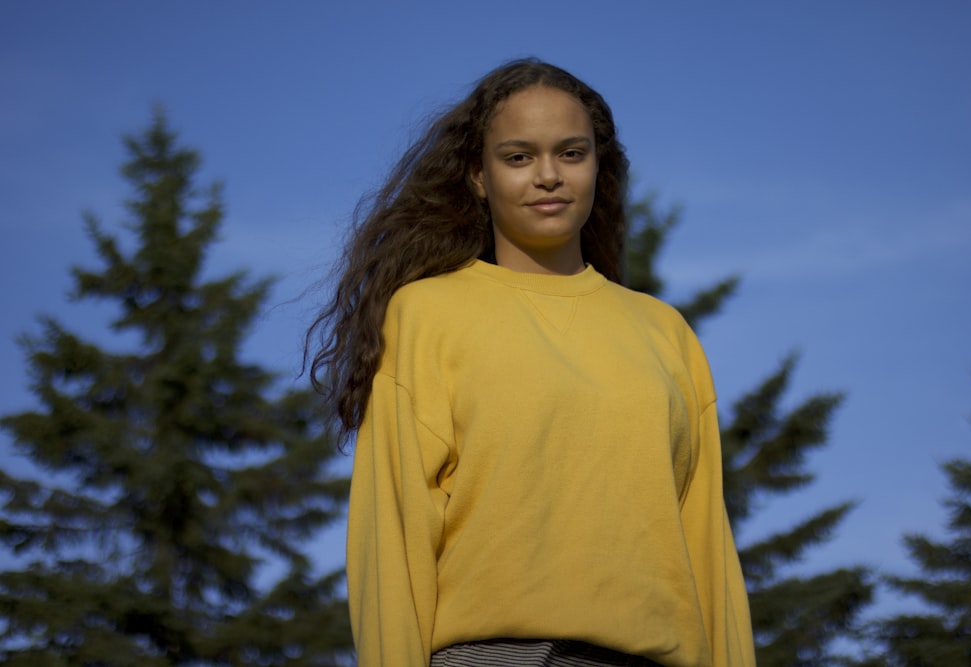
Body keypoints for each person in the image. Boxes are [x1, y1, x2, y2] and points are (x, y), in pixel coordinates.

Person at [307, 58, 756, 666]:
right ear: (478, 176)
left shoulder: (664, 332)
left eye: (571, 153)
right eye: (518, 157)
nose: (548, 175)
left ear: (599, 165)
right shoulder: (428, 315)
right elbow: (393, 539)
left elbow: (708, 550)